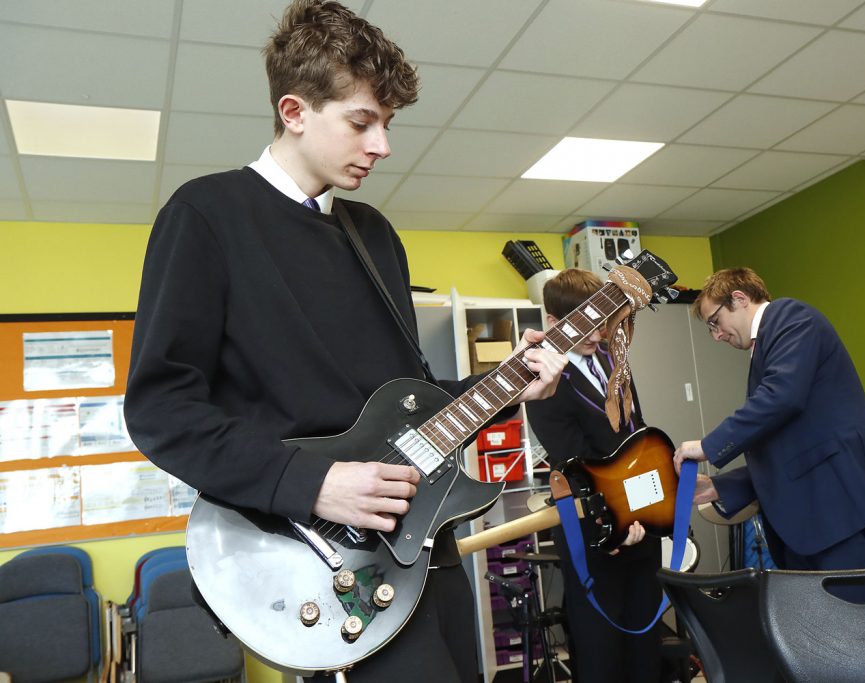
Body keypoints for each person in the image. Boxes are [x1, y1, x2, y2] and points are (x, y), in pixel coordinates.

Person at [122, 2, 566, 681]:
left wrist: (511, 384)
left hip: (425, 548)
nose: (382, 144)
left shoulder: (374, 235)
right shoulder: (205, 215)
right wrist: (314, 483)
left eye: (387, 124)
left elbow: (411, 406)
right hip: (321, 552)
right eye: (362, 122)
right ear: (295, 111)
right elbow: (161, 410)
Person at [674, 268, 865, 585]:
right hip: (818, 520)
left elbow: (781, 397)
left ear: (738, 299)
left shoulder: (791, 316)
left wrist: (707, 447)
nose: (717, 335)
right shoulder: (768, 344)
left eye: (715, 322)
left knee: (855, 625)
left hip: (842, 512)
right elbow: (789, 446)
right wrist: (719, 487)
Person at [525, 269, 664, 683]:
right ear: (553, 322)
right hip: (594, 522)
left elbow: (636, 435)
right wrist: (621, 519)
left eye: (601, 323)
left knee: (646, 645)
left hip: (642, 518)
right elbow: (576, 461)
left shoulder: (611, 358)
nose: (598, 335)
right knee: (600, 647)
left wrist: (649, 508)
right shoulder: (540, 378)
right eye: (585, 326)